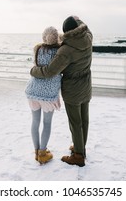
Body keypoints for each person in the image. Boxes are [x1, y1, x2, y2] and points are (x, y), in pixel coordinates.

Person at [30, 16, 92, 167]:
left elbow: (50, 71)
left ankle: (78, 156)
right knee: (84, 118)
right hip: (86, 84)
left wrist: (34, 70)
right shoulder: (88, 37)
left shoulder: (66, 50)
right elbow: (85, 27)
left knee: (75, 122)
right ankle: (80, 147)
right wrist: (77, 19)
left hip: (72, 89)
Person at [25, 26, 62, 165]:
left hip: (33, 91)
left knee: (35, 122)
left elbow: (36, 65)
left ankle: (36, 152)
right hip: (48, 94)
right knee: (47, 123)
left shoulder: (38, 49)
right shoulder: (60, 51)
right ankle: (43, 153)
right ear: (56, 37)